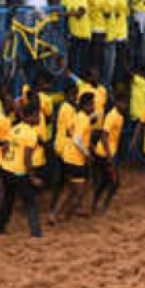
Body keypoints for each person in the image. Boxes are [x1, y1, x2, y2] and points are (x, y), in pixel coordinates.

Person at [0, 103, 43, 238]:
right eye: (37, 115)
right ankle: (36, 233)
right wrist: (32, 177)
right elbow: (27, 158)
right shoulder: (31, 134)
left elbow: (4, 148)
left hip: (7, 169)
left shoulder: (14, 129)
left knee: (7, 200)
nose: (39, 118)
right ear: (30, 116)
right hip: (19, 172)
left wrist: (6, 162)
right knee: (31, 202)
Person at [51, 92, 94, 223]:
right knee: (77, 190)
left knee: (72, 189)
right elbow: (77, 139)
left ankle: (59, 214)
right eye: (92, 104)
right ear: (86, 105)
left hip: (70, 156)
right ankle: (63, 214)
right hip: (76, 158)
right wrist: (87, 153)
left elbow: (70, 131)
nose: (93, 106)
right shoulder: (83, 119)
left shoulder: (77, 116)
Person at [93, 90, 126, 214]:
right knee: (114, 182)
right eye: (122, 103)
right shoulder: (112, 116)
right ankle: (102, 206)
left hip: (108, 153)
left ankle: (97, 204)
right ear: (117, 102)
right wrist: (109, 156)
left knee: (106, 181)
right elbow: (104, 136)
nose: (124, 106)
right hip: (105, 154)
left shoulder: (119, 116)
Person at [61, 0, 91, 74]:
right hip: (72, 35)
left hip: (84, 34)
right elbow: (61, 12)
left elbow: (80, 13)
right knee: (72, 62)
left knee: (83, 62)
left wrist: (65, 14)